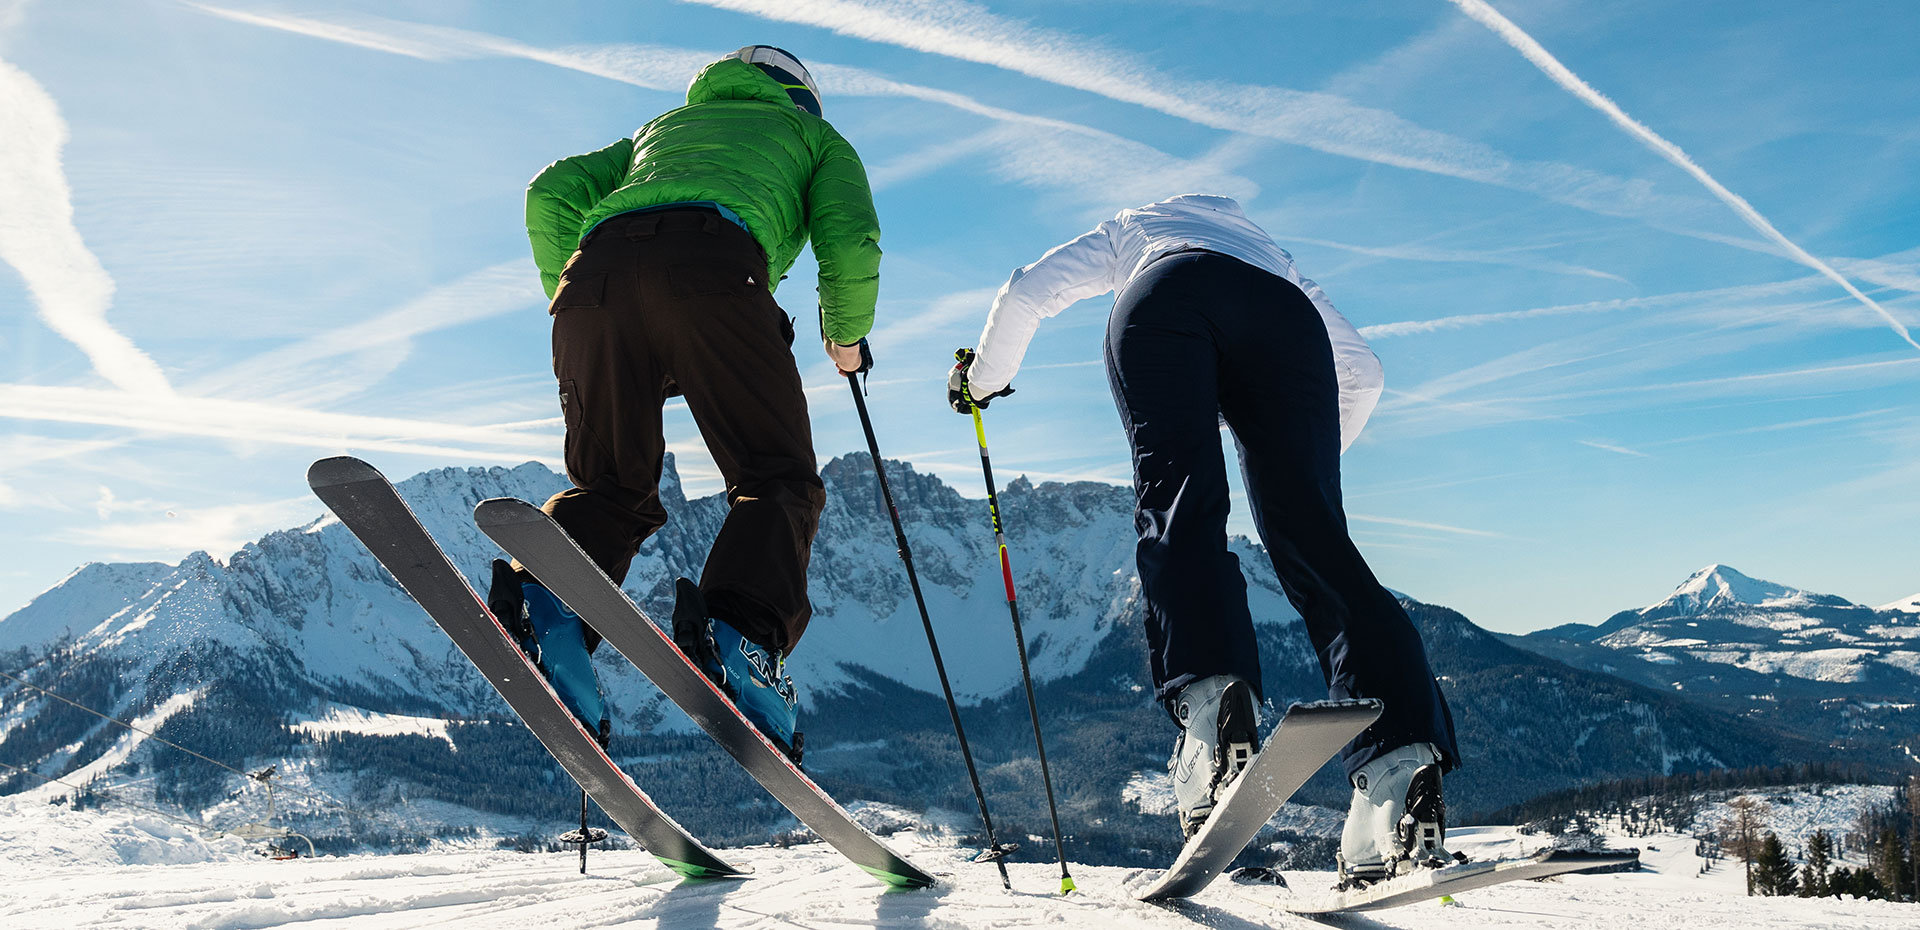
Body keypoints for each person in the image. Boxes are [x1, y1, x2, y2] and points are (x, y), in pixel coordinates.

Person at [947, 194, 1459, 886]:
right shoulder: (1270, 254)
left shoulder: (1135, 226)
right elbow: (1365, 372)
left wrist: (982, 381)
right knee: (1321, 548)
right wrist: (1297, 478)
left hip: (1165, 301)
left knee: (1180, 504)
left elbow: (1028, 290)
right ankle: (1399, 775)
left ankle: (1216, 719)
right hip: (1287, 326)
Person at [489, 45, 882, 763]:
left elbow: (549, 192)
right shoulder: (814, 138)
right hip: (717, 271)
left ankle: (553, 610)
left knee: (610, 485)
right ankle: (742, 639)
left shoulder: (658, 131)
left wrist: (574, 297)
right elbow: (849, 237)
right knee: (775, 477)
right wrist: (845, 336)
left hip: (592, 284)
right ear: (802, 99)